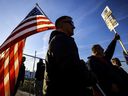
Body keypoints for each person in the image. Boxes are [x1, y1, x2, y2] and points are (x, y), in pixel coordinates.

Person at [44, 16, 97, 96]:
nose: (74, 26)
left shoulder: (57, 40)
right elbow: (71, 69)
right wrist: (91, 78)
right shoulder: (61, 39)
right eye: (71, 23)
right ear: (62, 24)